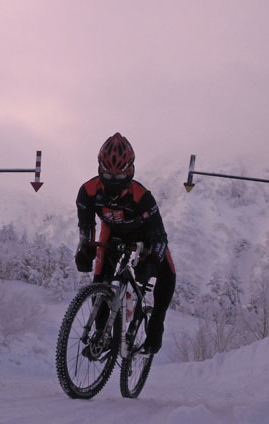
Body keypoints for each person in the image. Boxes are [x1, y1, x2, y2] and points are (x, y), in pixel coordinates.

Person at [74, 132, 176, 355]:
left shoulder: (143, 197)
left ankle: (155, 327)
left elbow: (160, 237)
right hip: (112, 234)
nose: (113, 184)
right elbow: (86, 228)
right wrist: (85, 249)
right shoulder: (87, 192)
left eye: (118, 178)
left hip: (145, 236)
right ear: (100, 170)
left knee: (168, 275)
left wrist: (151, 261)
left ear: (130, 172)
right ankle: (101, 334)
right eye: (108, 177)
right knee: (99, 280)